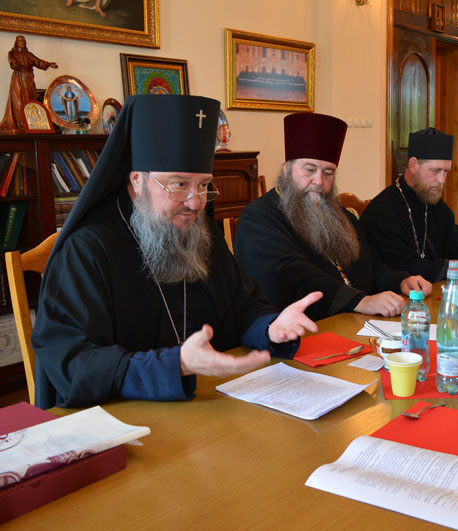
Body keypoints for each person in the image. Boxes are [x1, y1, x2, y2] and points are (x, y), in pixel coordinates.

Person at [32, 95, 319, 409]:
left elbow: (243, 306)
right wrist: (176, 364)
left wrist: (270, 329)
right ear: (137, 181)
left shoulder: (201, 234)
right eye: (179, 185)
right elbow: (74, 365)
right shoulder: (86, 251)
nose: (195, 203)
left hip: (211, 406)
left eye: (204, 185)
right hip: (128, 418)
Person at [235, 112, 432, 321]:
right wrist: (358, 301)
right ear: (286, 170)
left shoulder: (341, 216)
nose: (319, 181)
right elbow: (290, 276)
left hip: (355, 323)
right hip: (300, 330)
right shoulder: (258, 219)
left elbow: (369, 263)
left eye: (328, 172)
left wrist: (400, 280)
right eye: (309, 169)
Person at [360, 127, 458, 282]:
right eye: (435, 171)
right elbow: (403, 269)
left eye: (446, 172)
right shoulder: (381, 212)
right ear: (413, 165)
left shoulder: (435, 205)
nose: (442, 180)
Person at [0, 35, 58, 133]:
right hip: (18, 77)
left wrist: (48, 64)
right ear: (16, 42)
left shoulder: (28, 54)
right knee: (18, 98)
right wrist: (14, 63)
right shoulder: (12, 53)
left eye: (23, 41)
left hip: (28, 78)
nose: (22, 42)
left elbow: (37, 61)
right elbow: (11, 60)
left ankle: (29, 122)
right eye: (20, 41)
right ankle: (20, 122)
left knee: (29, 99)